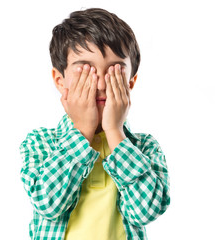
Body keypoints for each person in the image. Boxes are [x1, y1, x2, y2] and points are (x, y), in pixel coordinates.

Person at [19, 8, 170, 240]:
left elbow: (146, 211)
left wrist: (114, 132)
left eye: (114, 70)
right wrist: (82, 131)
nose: (100, 83)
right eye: (86, 70)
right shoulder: (41, 142)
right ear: (60, 81)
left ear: (130, 83)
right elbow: (48, 204)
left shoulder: (145, 147)